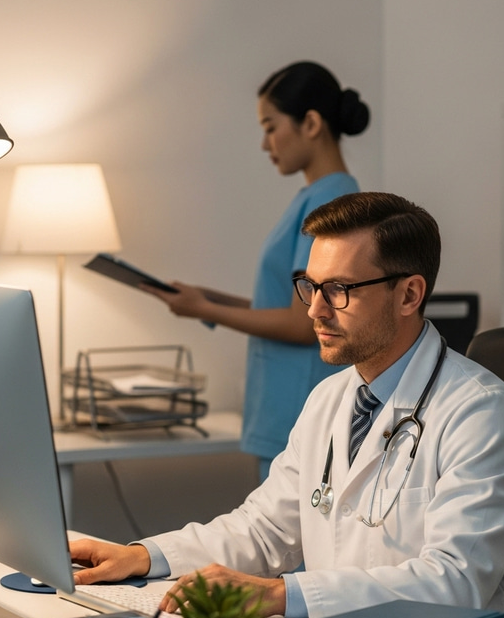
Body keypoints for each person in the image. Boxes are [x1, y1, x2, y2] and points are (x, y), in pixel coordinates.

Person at [71, 192, 504, 618]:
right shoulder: (331, 398)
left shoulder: (480, 414)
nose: (314, 309)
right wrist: (144, 556)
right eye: (309, 285)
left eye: (339, 290)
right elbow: (264, 527)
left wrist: (276, 595)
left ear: (409, 294)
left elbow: (451, 584)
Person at [141, 61, 371, 479]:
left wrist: (205, 311)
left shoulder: (331, 200)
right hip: (285, 408)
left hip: (297, 408)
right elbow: (290, 304)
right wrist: (210, 299)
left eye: (270, 126)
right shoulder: (318, 195)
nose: (266, 144)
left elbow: (306, 323)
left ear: (311, 123)